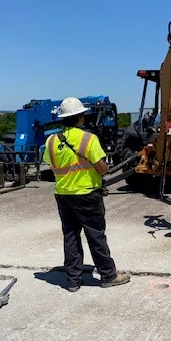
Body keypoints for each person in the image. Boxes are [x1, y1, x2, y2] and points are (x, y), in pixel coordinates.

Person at [43, 97, 130, 292]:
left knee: (71, 235)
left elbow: (51, 165)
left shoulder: (50, 141)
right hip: (87, 195)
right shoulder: (88, 139)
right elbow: (101, 167)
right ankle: (108, 275)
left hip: (63, 195)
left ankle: (73, 280)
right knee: (95, 235)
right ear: (80, 117)